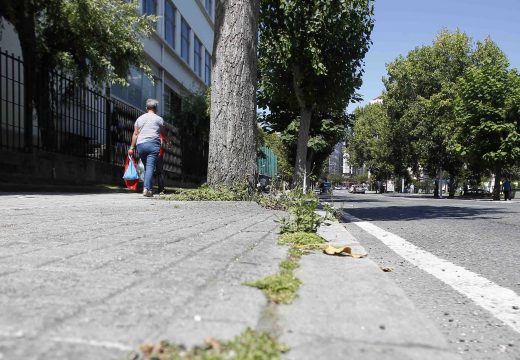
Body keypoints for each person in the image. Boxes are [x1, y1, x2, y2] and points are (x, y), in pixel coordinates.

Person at [128, 99, 164, 197]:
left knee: (147, 167)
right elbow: (162, 133)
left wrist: (131, 147)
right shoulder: (159, 119)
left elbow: (135, 134)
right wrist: (168, 141)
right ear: (156, 108)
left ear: (146, 108)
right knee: (150, 167)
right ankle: (147, 189)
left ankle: (149, 188)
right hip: (153, 144)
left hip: (141, 145)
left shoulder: (139, 119)